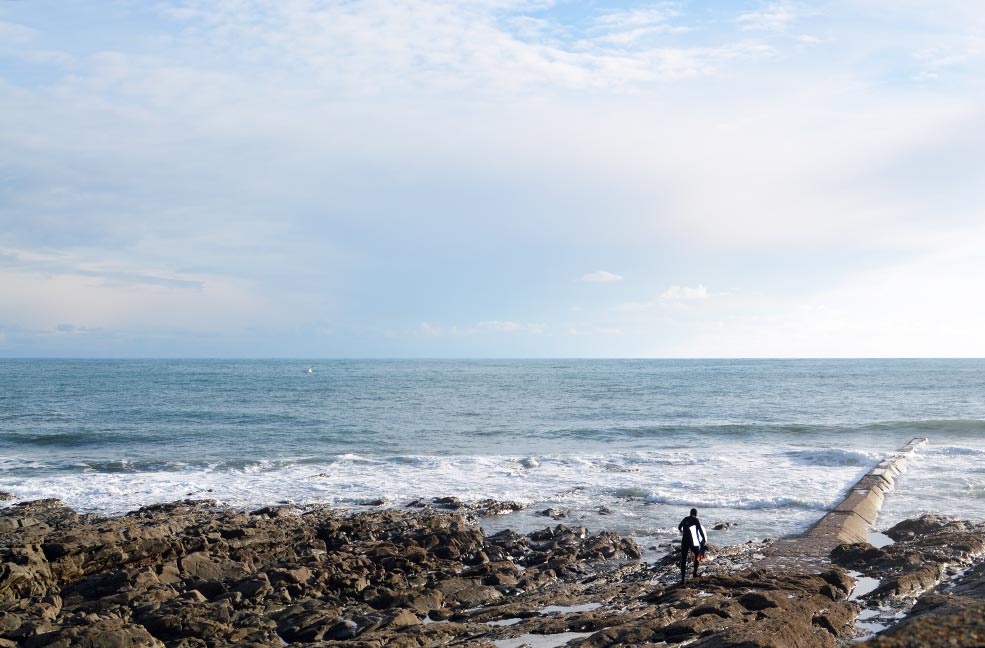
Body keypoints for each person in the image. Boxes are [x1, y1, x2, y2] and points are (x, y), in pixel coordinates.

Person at [677, 508, 706, 584]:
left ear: (690, 513)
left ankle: (683, 580)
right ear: (696, 514)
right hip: (692, 541)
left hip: (684, 541)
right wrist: (703, 538)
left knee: (683, 560)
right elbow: (700, 530)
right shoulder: (696, 520)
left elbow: (679, 527)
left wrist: (682, 531)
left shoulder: (685, 519)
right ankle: (694, 573)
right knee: (698, 555)